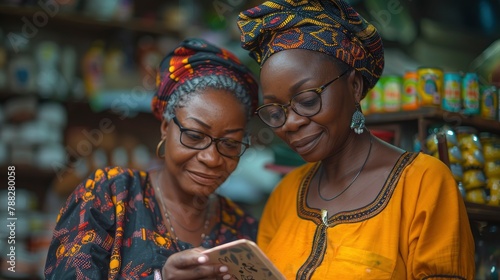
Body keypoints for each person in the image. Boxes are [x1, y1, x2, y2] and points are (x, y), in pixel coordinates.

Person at [237, 1, 475, 279]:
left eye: (307, 100)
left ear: (354, 86)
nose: (291, 123)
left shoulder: (423, 183)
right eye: (276, 111)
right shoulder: (285, 193)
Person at [44, 38, 259, 279]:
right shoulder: (110, 196)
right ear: (166, 128)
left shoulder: (243, 231)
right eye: (195, 135)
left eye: (230, 143)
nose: (212, 158)